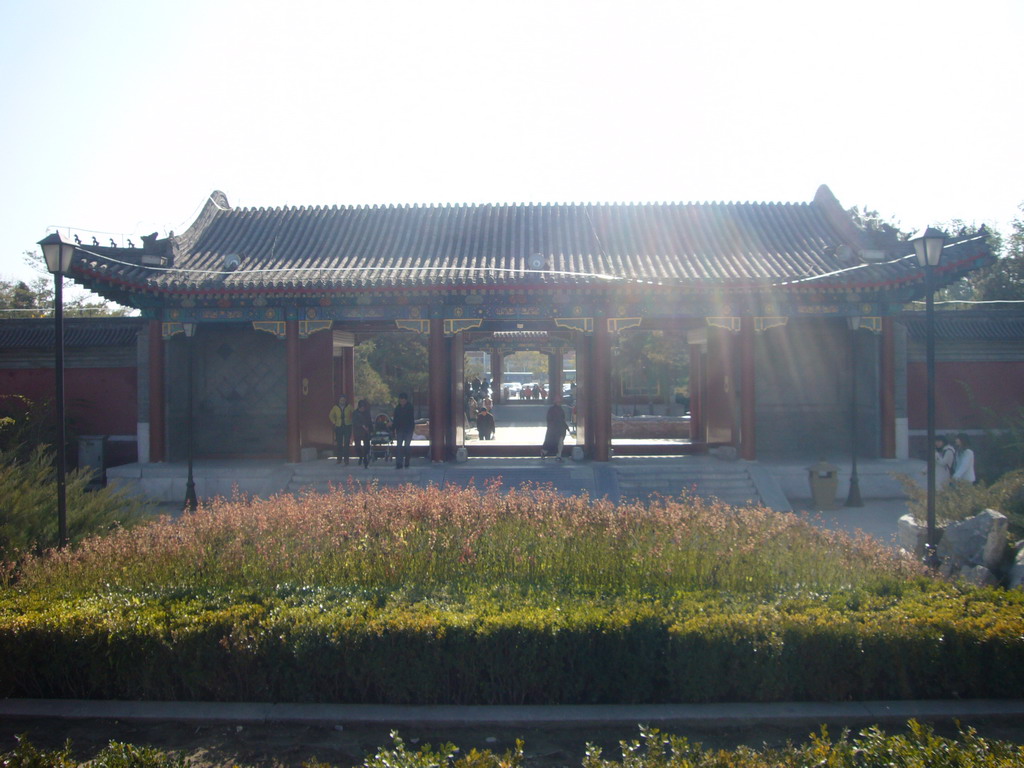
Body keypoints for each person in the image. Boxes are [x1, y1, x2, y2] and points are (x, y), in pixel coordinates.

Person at [328, 394, 353, 465]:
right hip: (339, 426)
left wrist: (351, 420)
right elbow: (331, 415)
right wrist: (334, 422)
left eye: (344, 400)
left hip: (347, 426)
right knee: (339, 443)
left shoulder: (349, 406)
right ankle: (339, 458)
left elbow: (354, 413)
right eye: (341, 400)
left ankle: (346, 459)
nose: (342, 401)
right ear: (339, 400)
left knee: (346, 443)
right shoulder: (335, 407)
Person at [541, 394, 568, 460]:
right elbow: (561, 419)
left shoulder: (554, 410)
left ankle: (558, 455)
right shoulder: (558, 410)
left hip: (557, 429)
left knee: (556, 442)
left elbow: (561, 420)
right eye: (558, 402)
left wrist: (565, 426)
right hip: (557, 429)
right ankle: (547, 452)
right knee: (554, 442)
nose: (559, 403)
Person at [392, 392, 415, 469]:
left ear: (406, 400)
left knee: (407, 446)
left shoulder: (410, 407)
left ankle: (407, 461)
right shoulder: (397, 408)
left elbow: (409, 419)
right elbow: (395, 419)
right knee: (399, 446)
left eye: (403, 400)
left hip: (408, 429)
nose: (402, 402)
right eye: (400, 400)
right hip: (400, 429)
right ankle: (399, 463)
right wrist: (393, 428)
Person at [352, 399, 373, 468]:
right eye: (361, 408)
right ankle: (360, 456)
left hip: (366, 432)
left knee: (366, 447)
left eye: (363, 408)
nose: (362, 409)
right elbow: (354, 422)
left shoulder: (367, 413)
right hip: (358, 432)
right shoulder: (355, 413)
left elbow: (369, 422)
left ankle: (365, 459)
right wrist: (362, 425)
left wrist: (371, 430)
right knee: (357, 446)